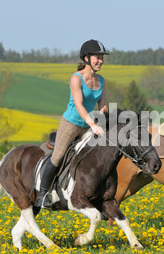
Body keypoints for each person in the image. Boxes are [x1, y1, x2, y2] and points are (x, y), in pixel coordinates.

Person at [35, 39, 109, 209]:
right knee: (58, 156)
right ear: (86, 58)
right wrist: (93, 124)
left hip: (90, 125)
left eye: (102, 58)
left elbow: (103, 105)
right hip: (72, 124)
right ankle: (42, 194)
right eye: (97, 57)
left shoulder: (102, 80)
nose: (101, 61)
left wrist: (108, 118)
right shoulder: (76, 78)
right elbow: (79, 105)